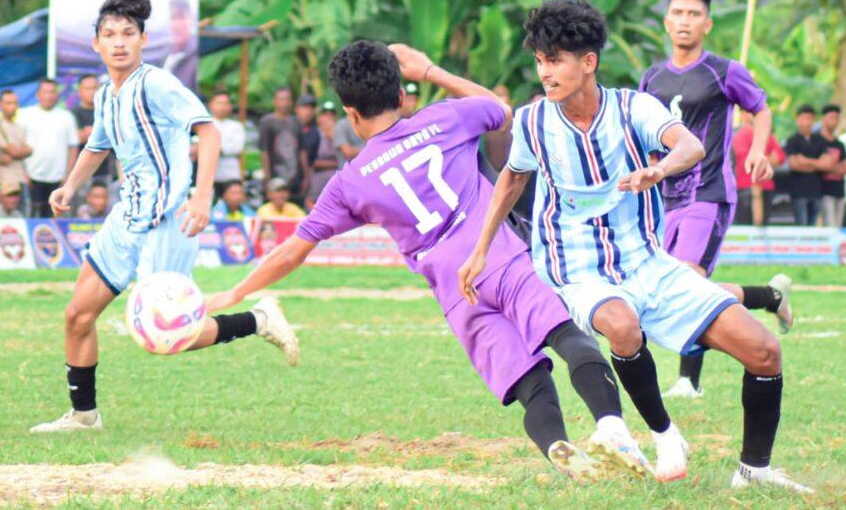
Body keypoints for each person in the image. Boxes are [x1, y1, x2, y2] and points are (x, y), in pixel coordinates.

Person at [210, 40, 654, 482]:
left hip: (457, 293)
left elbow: (294, 248)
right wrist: (430, 71)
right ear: (401, 96)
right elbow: (500, 110)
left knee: (529, 381)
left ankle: (556, 445)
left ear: (350, 113)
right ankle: (610, 426)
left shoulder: (349, 183)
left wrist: (236, 292)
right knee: (567, 336)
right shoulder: (446, 118)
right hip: (501, 256)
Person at [461, 0, 811, 492]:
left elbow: (690, 146)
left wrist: (659, 169)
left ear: (588, 62)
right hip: (576, 269)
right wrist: (480, 250)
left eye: (555, 60)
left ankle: (754, 470)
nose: (545, 72)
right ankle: (665, 433)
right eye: (539, 61)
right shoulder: (533, 121)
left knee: (764, 351)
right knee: (622, 326)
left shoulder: (634, 108)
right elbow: (512, 179)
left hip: (648, 263)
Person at [29, 0, 299, 434]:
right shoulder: (105, 94)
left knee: (166, 336)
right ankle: (83, 416)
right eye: (110, 35)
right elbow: (98, 145)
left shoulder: (157, 83)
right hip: (127, 218)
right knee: (77, 315)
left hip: (168, 221)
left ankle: (259, 320)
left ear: (143, 40)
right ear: (96, 44)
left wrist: (202, 196)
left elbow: (208, 133)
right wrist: (70, 185)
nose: (119, 42)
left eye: (128, 33)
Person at [639, 0, 793, 400]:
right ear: (666, 22)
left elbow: (760, 109)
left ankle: (688, 380)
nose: (685, 21)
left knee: (688, 283)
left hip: (708, 193)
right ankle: (769, 295)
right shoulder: (651, 78)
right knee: (663, 290)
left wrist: (758, 150)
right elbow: (643, 133)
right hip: (663, 200)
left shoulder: (724, 71)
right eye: (678, 13)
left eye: (694, 14)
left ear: (707, 24)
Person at [19, 79, 80, 218]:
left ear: (57, 94)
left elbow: (73, 148)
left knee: (56, 215)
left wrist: (68, 177)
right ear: (38, 94)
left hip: (58, 178)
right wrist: (23, 174)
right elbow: (19, 146)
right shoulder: (25, 115)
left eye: (52, 92)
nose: (48, 96)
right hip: (31, 176)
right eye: (45, 92)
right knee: (31, 215)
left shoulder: (66, 117)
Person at [732, 112, 785, 225]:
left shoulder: (765, 135)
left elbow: (780, 157)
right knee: (747, 227)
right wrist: (769, 158)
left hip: (766, 186)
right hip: (747, 187)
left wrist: (759, 158)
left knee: (764, 226)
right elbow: (747, 160)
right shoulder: (740, 135)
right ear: (743, 114)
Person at [0, 89, 32, 215]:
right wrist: (22, 152)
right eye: (8, 103)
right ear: (0, 105)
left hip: (21, 178)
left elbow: (29, 150)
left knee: (23, 217)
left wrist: (24, 151)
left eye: (15, 103)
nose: (12, 107)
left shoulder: (20, 127)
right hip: (3, 180)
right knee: (0, 217)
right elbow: (14, 151)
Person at [784, 105, 830, 226]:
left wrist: (805, 160)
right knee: (802, 227)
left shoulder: (820, 140)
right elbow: (794, 165)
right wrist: (817, 163)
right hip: (799, 192)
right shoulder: (792, 140)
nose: (806, 122)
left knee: (813, 227)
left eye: (810, 118)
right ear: (797, 120)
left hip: (817, 191)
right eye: (803, 118)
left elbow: (826, 164)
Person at [259, 87, 307, 200]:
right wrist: (267, 178)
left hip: (295, 178)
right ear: (274, 101)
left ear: (291, 102)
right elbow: (264, 152)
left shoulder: (296, 122)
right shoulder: (267, 122)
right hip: (275, 176)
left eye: (287, 99)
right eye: (281, 99)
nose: (284, 103)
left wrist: (306, 176)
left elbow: (302, 150)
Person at [71, 74, 116, 189]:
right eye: (87, 88)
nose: (91, 92)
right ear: (79, 91)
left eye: (94, 88)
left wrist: (89, 132)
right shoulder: (72, 114)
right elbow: (74, 139)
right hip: (80, 173)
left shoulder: (107, 112)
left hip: (106, 171)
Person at [208, 91, 246, 198]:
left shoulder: (236, 126)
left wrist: (214, 149)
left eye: (226, 103)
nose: (222, 107)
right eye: (219, 103)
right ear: (211, 105)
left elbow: (237, 148)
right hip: (209, 175)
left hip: (230, 174)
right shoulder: (205, 125)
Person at [817, 104, 846, 227]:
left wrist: (830, 166)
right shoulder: (816, 141)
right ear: (823, 119)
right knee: (829, 226)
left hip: (840, 191)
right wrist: (834, 167)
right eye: (831, 117)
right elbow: (821, 165)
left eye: (837, 118)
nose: (834, 121)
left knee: (838, 227)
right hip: (823, 191)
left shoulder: (840, 144)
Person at [306, 101, 340, 209]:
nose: (329, 118)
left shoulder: (341, 134)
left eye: (332, 115)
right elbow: (311, 161)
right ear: (318, 118)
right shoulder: (313, 134)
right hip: (317, 184)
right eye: (325, 115)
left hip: (336, 185)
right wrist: (335, 163)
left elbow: (346, 158)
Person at [161, 0, 198, 90]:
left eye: (182, 17)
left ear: (191, 20)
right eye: (173, 18)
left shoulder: (196, 59)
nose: (177, 24)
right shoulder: (166, 56)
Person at [294, 93, 318, 202]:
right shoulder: (289, 127)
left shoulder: (315, 133)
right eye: (304, 107)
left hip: (303, 179)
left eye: (311, 108)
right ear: (297, 109)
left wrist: (307, 178)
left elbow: (312, 160)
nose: (308, 111)